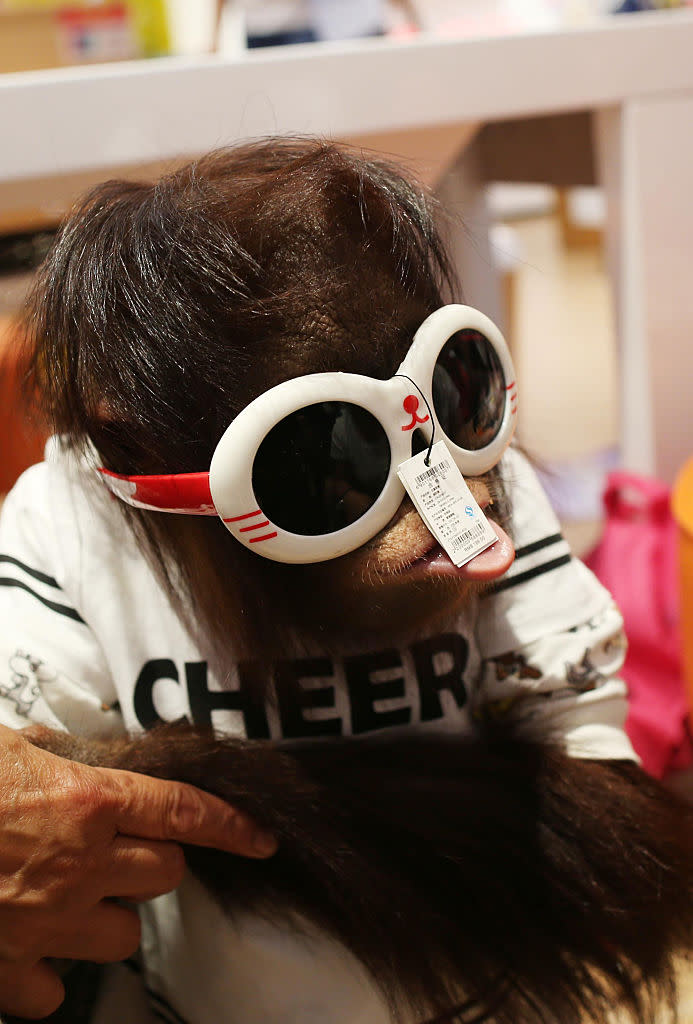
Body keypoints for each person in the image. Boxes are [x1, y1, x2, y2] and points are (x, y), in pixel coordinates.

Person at [0, 138, 689, 1024]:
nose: (444, 492)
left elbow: (612, 851)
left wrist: (218, 798)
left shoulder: (480, 475)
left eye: (455, 388)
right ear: (148, 460)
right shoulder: (75, 523)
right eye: (331, 454)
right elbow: (37, 818)